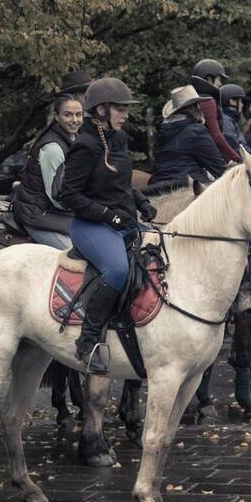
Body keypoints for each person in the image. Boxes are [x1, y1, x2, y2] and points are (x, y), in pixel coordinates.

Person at [58, 78, 156, 374]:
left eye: (126, 109)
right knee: (117, 270)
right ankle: (87, 343)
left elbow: (121, 183)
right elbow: (68, 196)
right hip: (90, 226)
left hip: (123, 221)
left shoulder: (119, 139)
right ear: (101, 109)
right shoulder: (85, 145)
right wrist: (106, 215)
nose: (125, 114)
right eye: (120, 109)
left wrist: (141, 202)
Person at [12, 94, 83, 249]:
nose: (75, 120)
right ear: (56, 117)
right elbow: (57, 197)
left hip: (59, 214)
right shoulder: (53, 148)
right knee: (77, 254)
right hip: (39, 215)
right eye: (68, 115)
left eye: (78, 114)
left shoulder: (74, 139)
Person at [148, 86, 229, 190]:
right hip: (185, 185)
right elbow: (218, 168)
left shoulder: (163, 131)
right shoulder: (196, 131)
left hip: (157, 186)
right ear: (195, 108)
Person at [188, 59, 242, 163]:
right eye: (219, 80)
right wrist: (237, 158)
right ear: (209, 78)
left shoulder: (192, 99)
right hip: (204, 156)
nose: (221, 84)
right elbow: (216, 136)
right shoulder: (207, 101)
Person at [219, 83, 249, 150]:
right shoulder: (226, 121)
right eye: (240, 101)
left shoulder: (231, 119)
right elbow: (236, 146)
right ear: (232, 101)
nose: (242, 105)